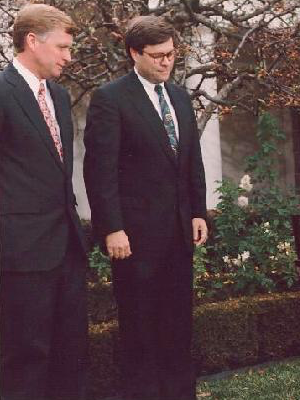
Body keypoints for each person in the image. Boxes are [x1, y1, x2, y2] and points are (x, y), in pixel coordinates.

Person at [84, 16, 207, 400]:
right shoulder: (110, 99)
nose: (166, 62)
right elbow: (99, 171)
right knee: (139, 329)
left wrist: (198, 211)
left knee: (178, 326)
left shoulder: (180, 97)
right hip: (134, 239)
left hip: (178, 235)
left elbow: (191, 160)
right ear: (134, 53)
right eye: (157, 56)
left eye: (171, 54)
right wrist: (112, 228)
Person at [0, 4, 89, 400]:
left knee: (71, 354)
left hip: (66, 248)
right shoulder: (3, 93)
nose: (68, 57)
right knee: (25, 358)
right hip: (19, 253)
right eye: (62, 47)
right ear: (32, 41)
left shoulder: (59, 95)